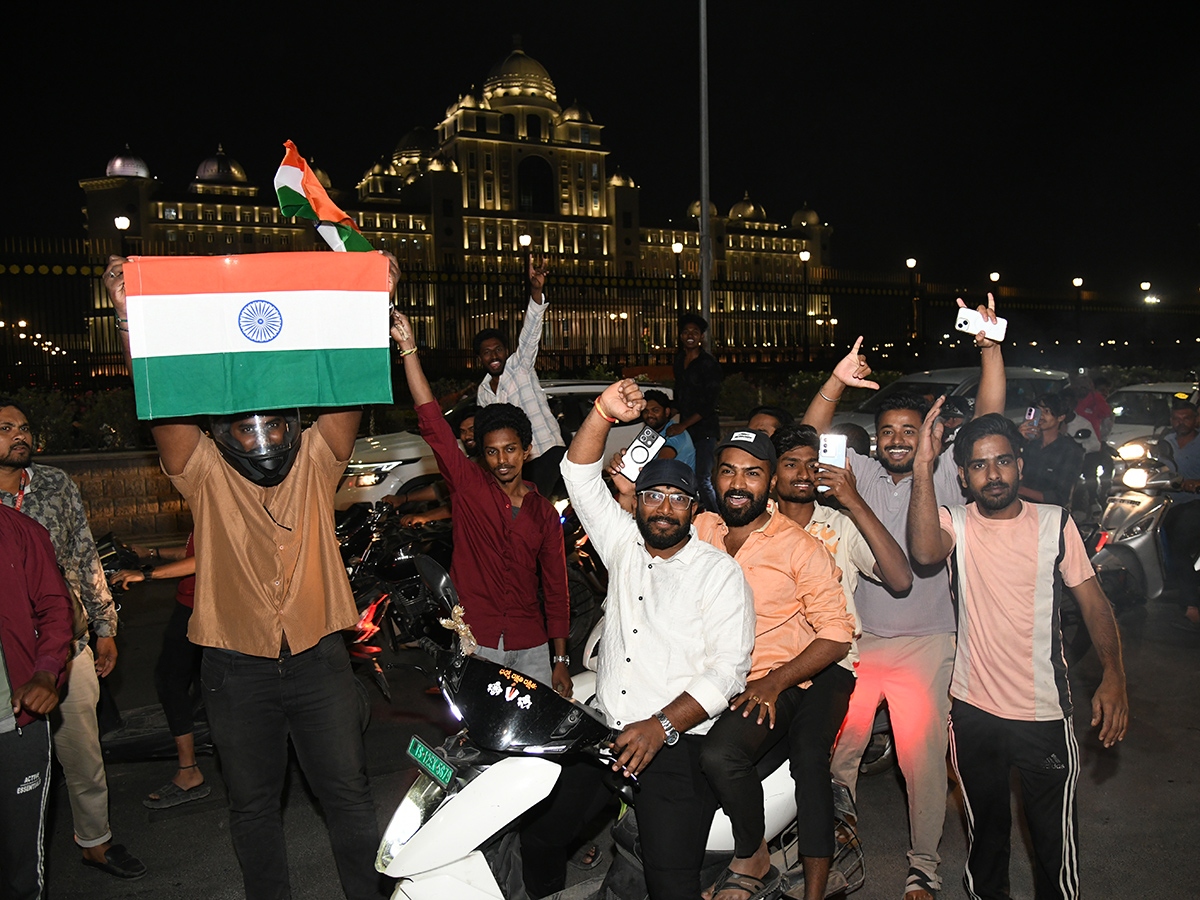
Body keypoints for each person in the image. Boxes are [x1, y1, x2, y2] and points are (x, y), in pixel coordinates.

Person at [103, 255, 389, 900]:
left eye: (277, 424)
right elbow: (163, 400)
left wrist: (369, 304)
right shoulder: (203, 471)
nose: (262, 437)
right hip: (236, 668)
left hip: (318, 659)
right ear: (222, 431)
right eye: (244, 425)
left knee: (348, 797)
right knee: (253, 807)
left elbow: (347, 389)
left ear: (293, 424)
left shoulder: (317, 462)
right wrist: (132, 321)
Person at [802, 301, 1007, 900]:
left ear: (927, 438)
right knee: (839, 754)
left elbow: (990, 414)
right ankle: (838, 849)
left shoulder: (943, 473)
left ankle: (924, 866)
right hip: (857, 641)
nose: (897, 439)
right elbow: (806, 438)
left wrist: (988, 347)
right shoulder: (857, 473)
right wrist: (837, 382)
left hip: (927, 642)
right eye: (888, 430)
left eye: (909, 431)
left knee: (920, 762)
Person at [521, 379, 755, 900]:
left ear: (694, 508)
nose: (665, 508)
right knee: (540, 838)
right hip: (608, 732)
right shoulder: (623, 545)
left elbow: (728, 673)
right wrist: (603, 412)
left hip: (674, 742)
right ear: (639, 502)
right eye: (654, 495)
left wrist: (662, 725)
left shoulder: (719, 574)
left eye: (678, 498)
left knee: (670, 881)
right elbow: (577, 475)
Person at [908, 406, 1128, 900]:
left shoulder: (1055, 523)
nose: (993, 474)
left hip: (1044, 714)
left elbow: (1093, 602)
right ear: (962, 478)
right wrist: (923, 466)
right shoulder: (955, 523)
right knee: (986, 838)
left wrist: (1114, 675)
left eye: (1003, 461)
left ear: (1020, 465)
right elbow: (923, 553)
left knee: (1053, 844)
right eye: (980, 466)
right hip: (972, 711)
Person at [691, 430, 856, 900]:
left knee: (756, 755)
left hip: (786, 675)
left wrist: (774, 682)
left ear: (769, 483)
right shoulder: (702, 529)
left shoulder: (799, 547)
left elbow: (837, 636)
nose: (739, 483)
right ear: (713, 480)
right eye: (728, 471)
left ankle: (775, 866)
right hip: (718, 675)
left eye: (753, 472)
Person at [0, 397, 147, 881]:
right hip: (7, 660)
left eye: (23, 427)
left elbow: (84, 555)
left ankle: (95, 842)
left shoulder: (54, 484)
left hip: (67, 644)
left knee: (83, 752)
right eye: (4, 428)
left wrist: (104, 627)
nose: (18, 435)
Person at [393, 312, 571, 691]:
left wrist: (560, 661)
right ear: (482, 455)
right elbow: (432, 422)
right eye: (492, 452)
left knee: (534, 747)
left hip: (533, 646)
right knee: (475, 742)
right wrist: (409, 349)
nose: (501, 460)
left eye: (510, 450)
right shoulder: (468, 487)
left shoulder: (541, 513)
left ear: (527, 451)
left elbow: (556, 590)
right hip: (477, 643)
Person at [0, 502, 73, 900]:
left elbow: (54, 606)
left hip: (13, 724)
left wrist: (46, 670)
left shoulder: (20, 529)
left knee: (19, 866)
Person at [111, 538, 209, 808]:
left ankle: (189, 770)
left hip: (205, 607)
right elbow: (192, 548)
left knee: (171, 680)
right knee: (194, 682)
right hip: (191, 603)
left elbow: (208, 556)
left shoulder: (217, 499)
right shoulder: (203, 502)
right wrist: (151, 552)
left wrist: (147, 573)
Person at [475, 257, 566, 498]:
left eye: (498, 350)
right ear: (480, 359)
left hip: (548, 453)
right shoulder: (483, 392)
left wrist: (536, 291)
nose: (494, 356)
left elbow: (530, 333)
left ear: (506, 351)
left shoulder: (519, 366)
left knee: (549, 518)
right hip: (517, 466)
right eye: (487, 352)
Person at [670, 313, 723, 509]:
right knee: (684, 476)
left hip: (705, 431)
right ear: (681, 336)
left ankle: (719, 518)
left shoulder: (709, 364)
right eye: (686, 332)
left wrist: (682, 425)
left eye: (695, 332)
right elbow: (680, 396)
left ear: (701, 337)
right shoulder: (679, 360)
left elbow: (709, 404)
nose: (690, 335)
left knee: (703, 478)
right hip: (686, 432)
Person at [1160, 400, 1200, 627]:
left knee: (1179, 547)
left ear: (1195, 420)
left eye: (1185, 418)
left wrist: (1195, 483)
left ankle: (1191, 605)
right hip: (1166, 502)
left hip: (1194, 503)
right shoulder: (1165, 442)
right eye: (1176, 418)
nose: (1180, 423)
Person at [1018, 393, 1085, 508]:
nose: (1041, 416)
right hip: (1023, 508)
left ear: (1061, 417)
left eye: (1047, 411)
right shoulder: (1031, 445)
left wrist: (1020, 491)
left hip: (1049, 513)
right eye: (1039, 411)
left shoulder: (1069, 451)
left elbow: (1060, 497)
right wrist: (1018, 438)